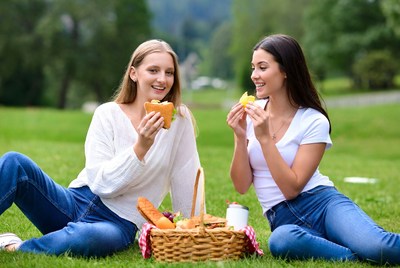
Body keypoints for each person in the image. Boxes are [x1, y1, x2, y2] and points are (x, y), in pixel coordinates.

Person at [0, 39, 202, 257]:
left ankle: (16, 247)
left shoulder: (179, 120)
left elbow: (188, 178)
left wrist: (192, 228)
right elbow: (99, 184)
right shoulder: (107, 114)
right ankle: (64, 233)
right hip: (74, 202)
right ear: (134, 73)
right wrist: (140, 148)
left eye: (169, 72)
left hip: (118, 224)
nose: (162, 79)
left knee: (88, 237)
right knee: (14, 162)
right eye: (153, 70)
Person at [226, 34, 400, 265]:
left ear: (286, 70)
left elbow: (292, 188)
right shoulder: (254, 113)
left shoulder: (313, 120)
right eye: (253, 67)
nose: (254, 75)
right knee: (281, 241)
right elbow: (240, 186)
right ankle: (353, 255)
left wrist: (265, 138)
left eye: (262, 67)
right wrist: (240, 136)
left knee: (378, 246)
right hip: (284, 220)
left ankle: (361, 249)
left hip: (323, 205)